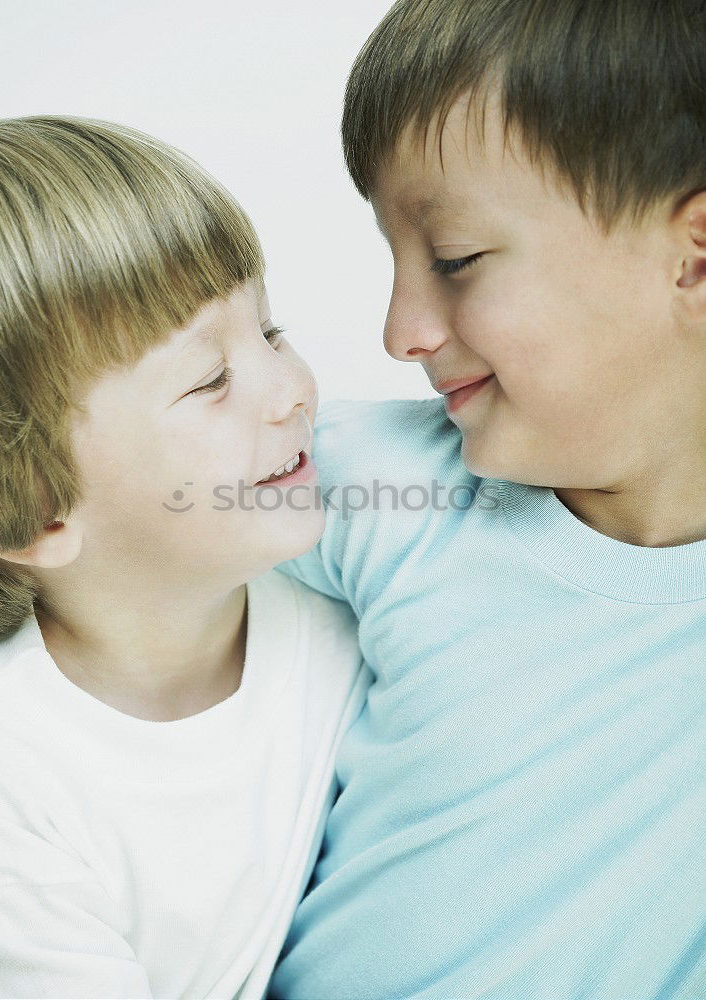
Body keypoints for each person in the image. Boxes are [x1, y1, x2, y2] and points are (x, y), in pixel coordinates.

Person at [268, 1, 706, 997]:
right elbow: (87, 499)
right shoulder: (381, 483)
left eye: (454, 260)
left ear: (695, 257)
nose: (401, 330)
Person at [0, 116, 369, 999]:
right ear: (33, 509)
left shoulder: (351, 600)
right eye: (208, 381)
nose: (292, 387)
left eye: (271, 329)